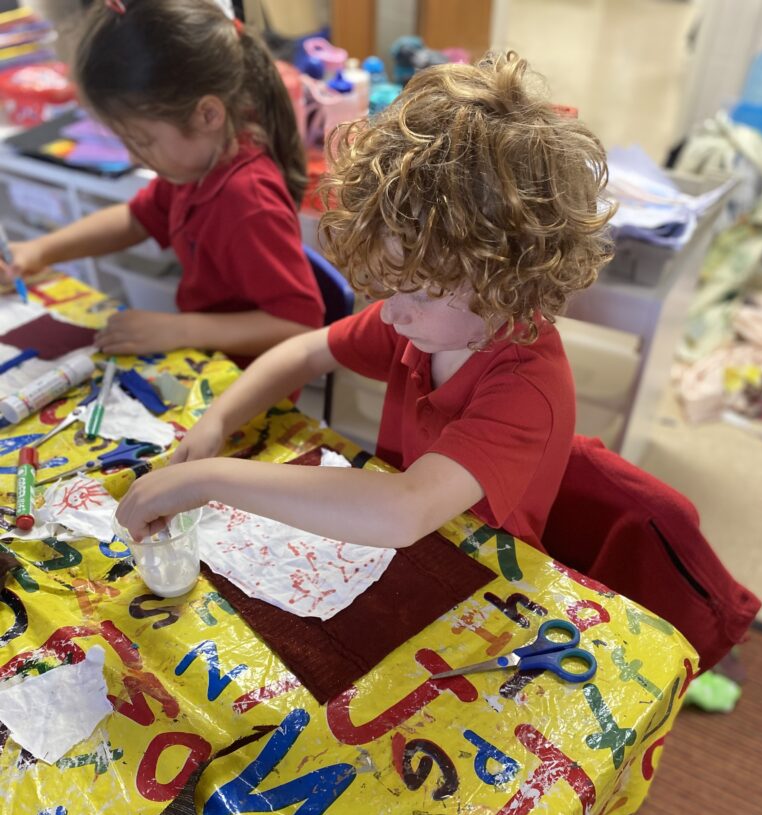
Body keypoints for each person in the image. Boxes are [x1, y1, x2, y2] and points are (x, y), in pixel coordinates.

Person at [116, 51, 613, 550]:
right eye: (391, 287)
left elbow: (403, 509)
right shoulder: (428, 325)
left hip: (483, 583)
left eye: (418, 289)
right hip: (409, 556)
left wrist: (209, 480)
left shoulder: (527, 390)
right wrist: (217, 421)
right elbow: (307, 351)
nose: (392, 312)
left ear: (505, 279)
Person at [0, 0, 323, 364]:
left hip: (244, 387)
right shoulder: (197, 166)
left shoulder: (246, 199)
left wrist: (180, 329)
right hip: (203, 359)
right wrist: (41, 250)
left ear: (208, 114)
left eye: (143, 142)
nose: (135, 158)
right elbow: (137, 218)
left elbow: (300, 325)